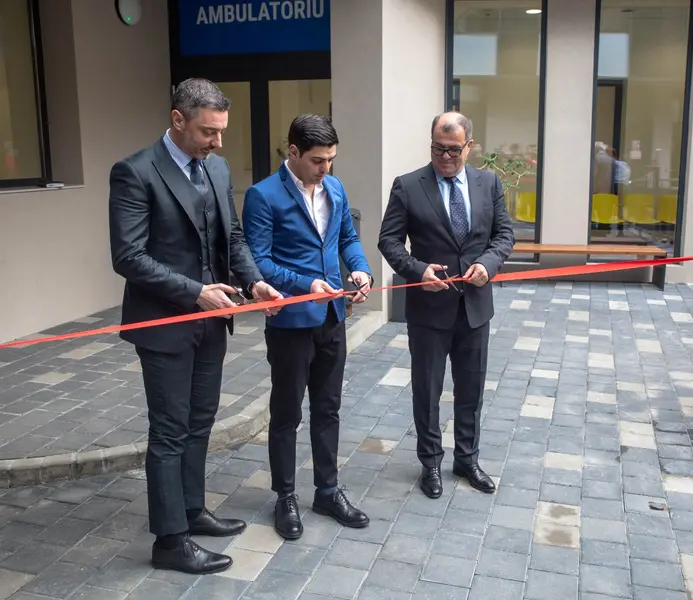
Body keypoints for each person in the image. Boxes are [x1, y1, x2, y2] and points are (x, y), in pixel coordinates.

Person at [109, 78, 283, 575]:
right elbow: (128, 256)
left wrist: (255, 284)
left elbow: (231, 235)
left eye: (222, 131)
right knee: (168, 431)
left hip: (213, 321)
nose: (218, 142)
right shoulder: (135, 172)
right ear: (178, 119)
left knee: (199, 423)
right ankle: (170, 541)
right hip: (164, 326)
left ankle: (191, 509)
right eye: (209, 131)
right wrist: (193, 291)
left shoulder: (218, 167)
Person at [242, 114, 372, 540]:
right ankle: (285, 497)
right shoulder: (262, 196)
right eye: (318, 160)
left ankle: (328, 491)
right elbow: (260, 261)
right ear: (293, 152)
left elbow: (347, 239)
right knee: (286, 413)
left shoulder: (334, 187)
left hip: (333, 317)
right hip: (291, 323)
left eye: (331, 159)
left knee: (328, 409)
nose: (326, 168)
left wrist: (360, 271)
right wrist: (305, 284)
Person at [377, 112, 515, 498]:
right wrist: (418, 270)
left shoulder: (489, 183)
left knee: (471, 390)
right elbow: (388, 241)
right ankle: (430, 464)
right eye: (438, 149)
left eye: (454, 150)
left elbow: (504, 234)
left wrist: (487, 265)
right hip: (428, 311)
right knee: (428, 389)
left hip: (474, 307)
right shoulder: (407, 186)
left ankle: (467, 460)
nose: (445, 157)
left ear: (469, 146)